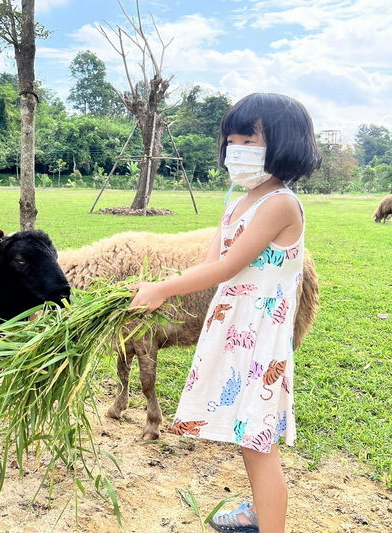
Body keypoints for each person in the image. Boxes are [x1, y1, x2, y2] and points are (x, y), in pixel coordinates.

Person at [130, 93, 321, 533]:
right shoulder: (238, 201)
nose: (235, 146)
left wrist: (161, 289)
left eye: (248, 136)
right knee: (247, 433)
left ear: (283, 142)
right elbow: (210, 264)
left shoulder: (280, 204)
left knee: (258, 443)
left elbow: (229, 267)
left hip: (259, 336)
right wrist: (155, 284)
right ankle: (258, 511)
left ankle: (268, 524)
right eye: (230, 137)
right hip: (233, 329)